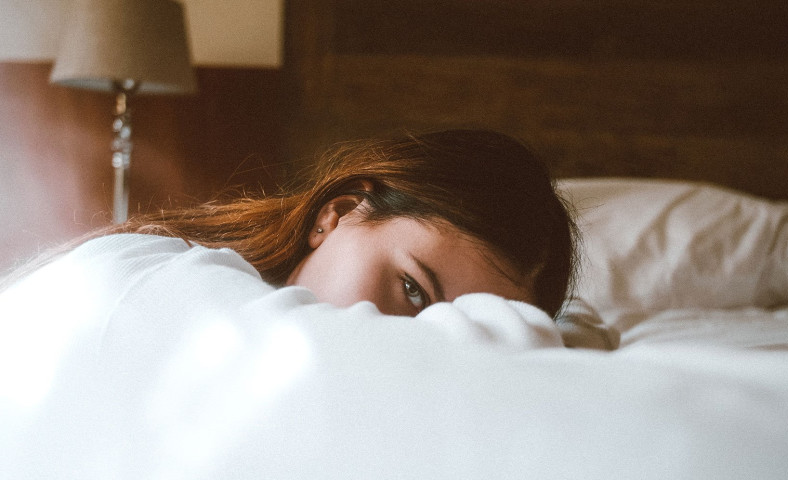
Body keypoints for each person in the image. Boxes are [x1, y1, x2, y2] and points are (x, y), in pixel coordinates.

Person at [2, 129, 577, 318]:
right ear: (341, 212)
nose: (416, 342)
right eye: (411, 290)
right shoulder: (158, 289)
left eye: (471, 334)